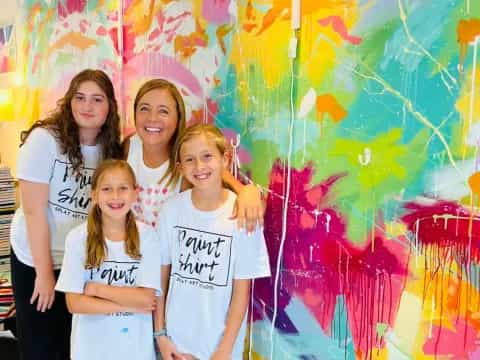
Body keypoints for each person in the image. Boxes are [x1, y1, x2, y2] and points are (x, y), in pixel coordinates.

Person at [10, 69, 123, 360]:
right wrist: (44, 273)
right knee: (40, 345)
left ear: (109, 106)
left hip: (78, 261)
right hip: (35, 257)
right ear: (69, 101)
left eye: (97, 99)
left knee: (73, 344)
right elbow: (34, 211)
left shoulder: (111, 148)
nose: (87, 106)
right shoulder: (45, 140)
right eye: (80, 97)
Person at [154, 124, 271, 360]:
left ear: (225, 159)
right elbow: (161, 278)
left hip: (220, 348)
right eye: (189, 160)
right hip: (175, 345)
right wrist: (161, 335)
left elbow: (241, 291)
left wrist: (224, 350)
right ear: (180, 167)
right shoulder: (171, 211)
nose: (199, 167)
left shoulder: (242, 214)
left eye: (207, 156)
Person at [124, 79, 264, 231]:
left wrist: (248, 192)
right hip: (132, 251)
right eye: (144, 109)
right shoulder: (128, 147)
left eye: (163, 111)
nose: (152, 118)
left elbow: (237, 188)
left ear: (178, 119)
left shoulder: (189, 159)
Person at [55, 159, 161, 360]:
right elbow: (75, 304)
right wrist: (130, 304)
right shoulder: (78, 238)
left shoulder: (147, 236)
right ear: (93, 195)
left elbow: (146, 299)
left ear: (135, 193)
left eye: (123, 188)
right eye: (107, 189)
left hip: (135, 350)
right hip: (90, 350)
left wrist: (97, 290)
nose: (115, 196)